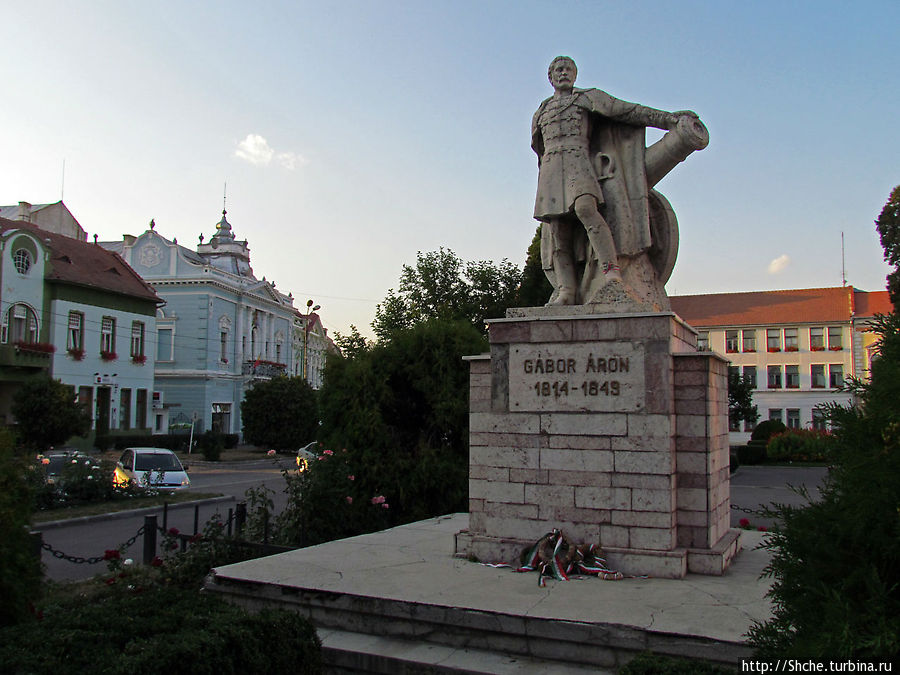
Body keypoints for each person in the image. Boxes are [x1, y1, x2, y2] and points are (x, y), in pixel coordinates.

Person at [533, 56, 703, 306]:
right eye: (558, 70)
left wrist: (667, 119)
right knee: (558, 231)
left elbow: (627, 111)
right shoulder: (541, 111)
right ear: (550, 77)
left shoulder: (587, 98)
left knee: (586, 209)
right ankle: (566, 290)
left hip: (578, 162)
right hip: (550, 169)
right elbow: (538, 148)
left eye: (569, 69)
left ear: (575, 75)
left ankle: (611, 272)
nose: (564, 73)